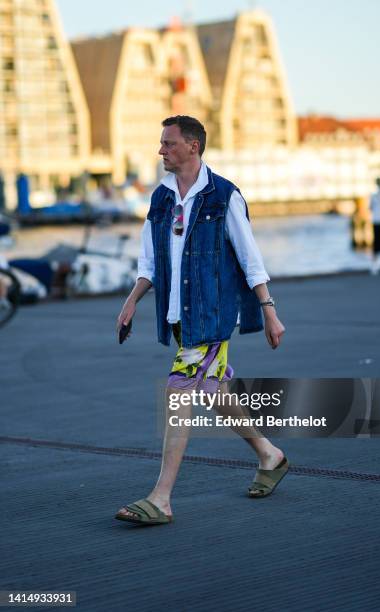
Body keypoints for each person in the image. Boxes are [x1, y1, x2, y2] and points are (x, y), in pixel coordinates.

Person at [114, 115, 287, 526]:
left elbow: (250, 259)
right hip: (177, 314)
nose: (161, 151)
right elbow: (149, 261)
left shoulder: (224, 196)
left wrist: (269, 311)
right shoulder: (160, 198)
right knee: (214, 389)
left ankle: (161, 498)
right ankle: (269, 454)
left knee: (179, 391)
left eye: (168, 143)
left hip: (211, 314)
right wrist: (132, 300)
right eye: (161, 144)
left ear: (193, 146)